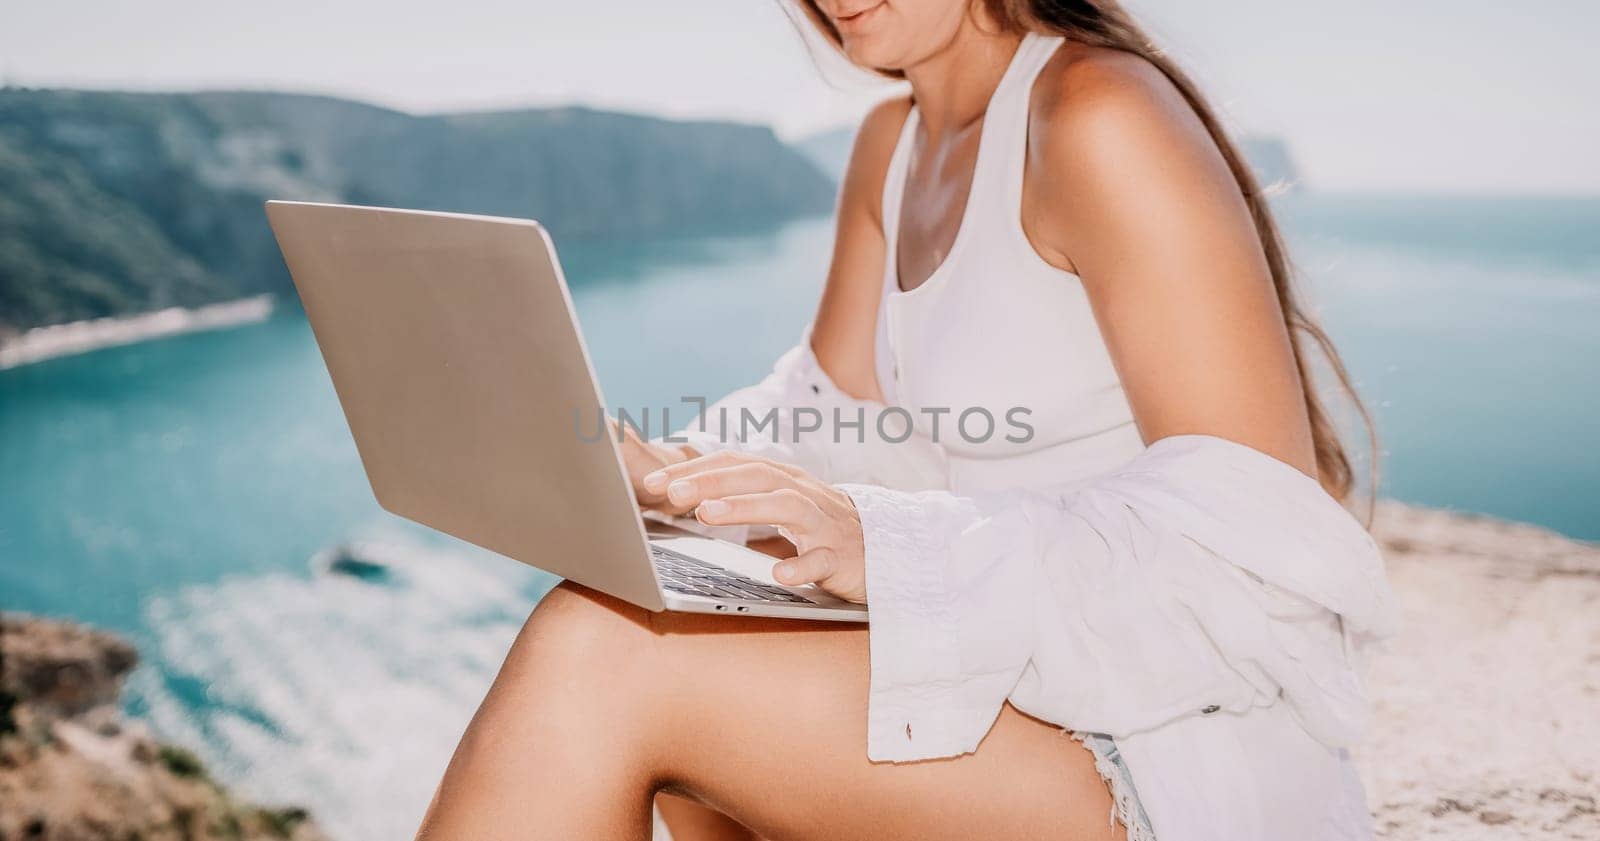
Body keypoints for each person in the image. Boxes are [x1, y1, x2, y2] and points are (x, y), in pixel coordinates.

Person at [415, 1, 1396, 838]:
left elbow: (1258, 542)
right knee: (640, 611)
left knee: (606, 652)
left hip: (1170, 743)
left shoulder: (1098, 112)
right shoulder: (894, 144)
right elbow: (826, 418)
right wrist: (656, 468)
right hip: (1008, 686)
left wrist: (888, 546)